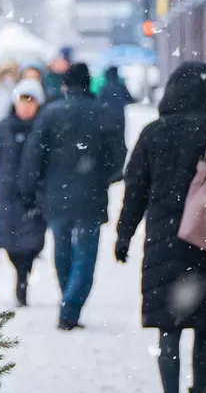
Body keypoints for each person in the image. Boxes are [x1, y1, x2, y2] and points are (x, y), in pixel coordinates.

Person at [114, 61, 206, 393]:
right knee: (205, 326)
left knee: (169, 328)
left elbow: (135, 189)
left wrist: (125, 234)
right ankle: (201, 389)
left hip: (165, 245)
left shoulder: (153, 133)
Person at [19, 63, 126, 330]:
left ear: (65, 85)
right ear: (88, 84)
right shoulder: (103, 114)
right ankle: (71, 305)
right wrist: (104, 178)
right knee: (86, 255)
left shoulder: (49, 114)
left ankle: (68, 300)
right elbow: (118, 158)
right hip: (91, 196)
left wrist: (30, 189)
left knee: (62, 250)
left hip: (56, 197)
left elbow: (33, 157)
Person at [0, 79, 49, 307]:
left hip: (33, 198)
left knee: (30, 246)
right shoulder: (3, 128)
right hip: (7, 195)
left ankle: (23, 281)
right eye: (23, 101)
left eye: (31, 102)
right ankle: (21, 278)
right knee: (11, 245)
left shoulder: (43, 128)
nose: (26, 106)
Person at [98, 65, 135, 133]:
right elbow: (130, 99)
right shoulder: (121, 86)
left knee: (108, 138)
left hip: (107, 117)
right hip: (120, 117)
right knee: (119, 138)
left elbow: (99, 102)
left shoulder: (104, 88)